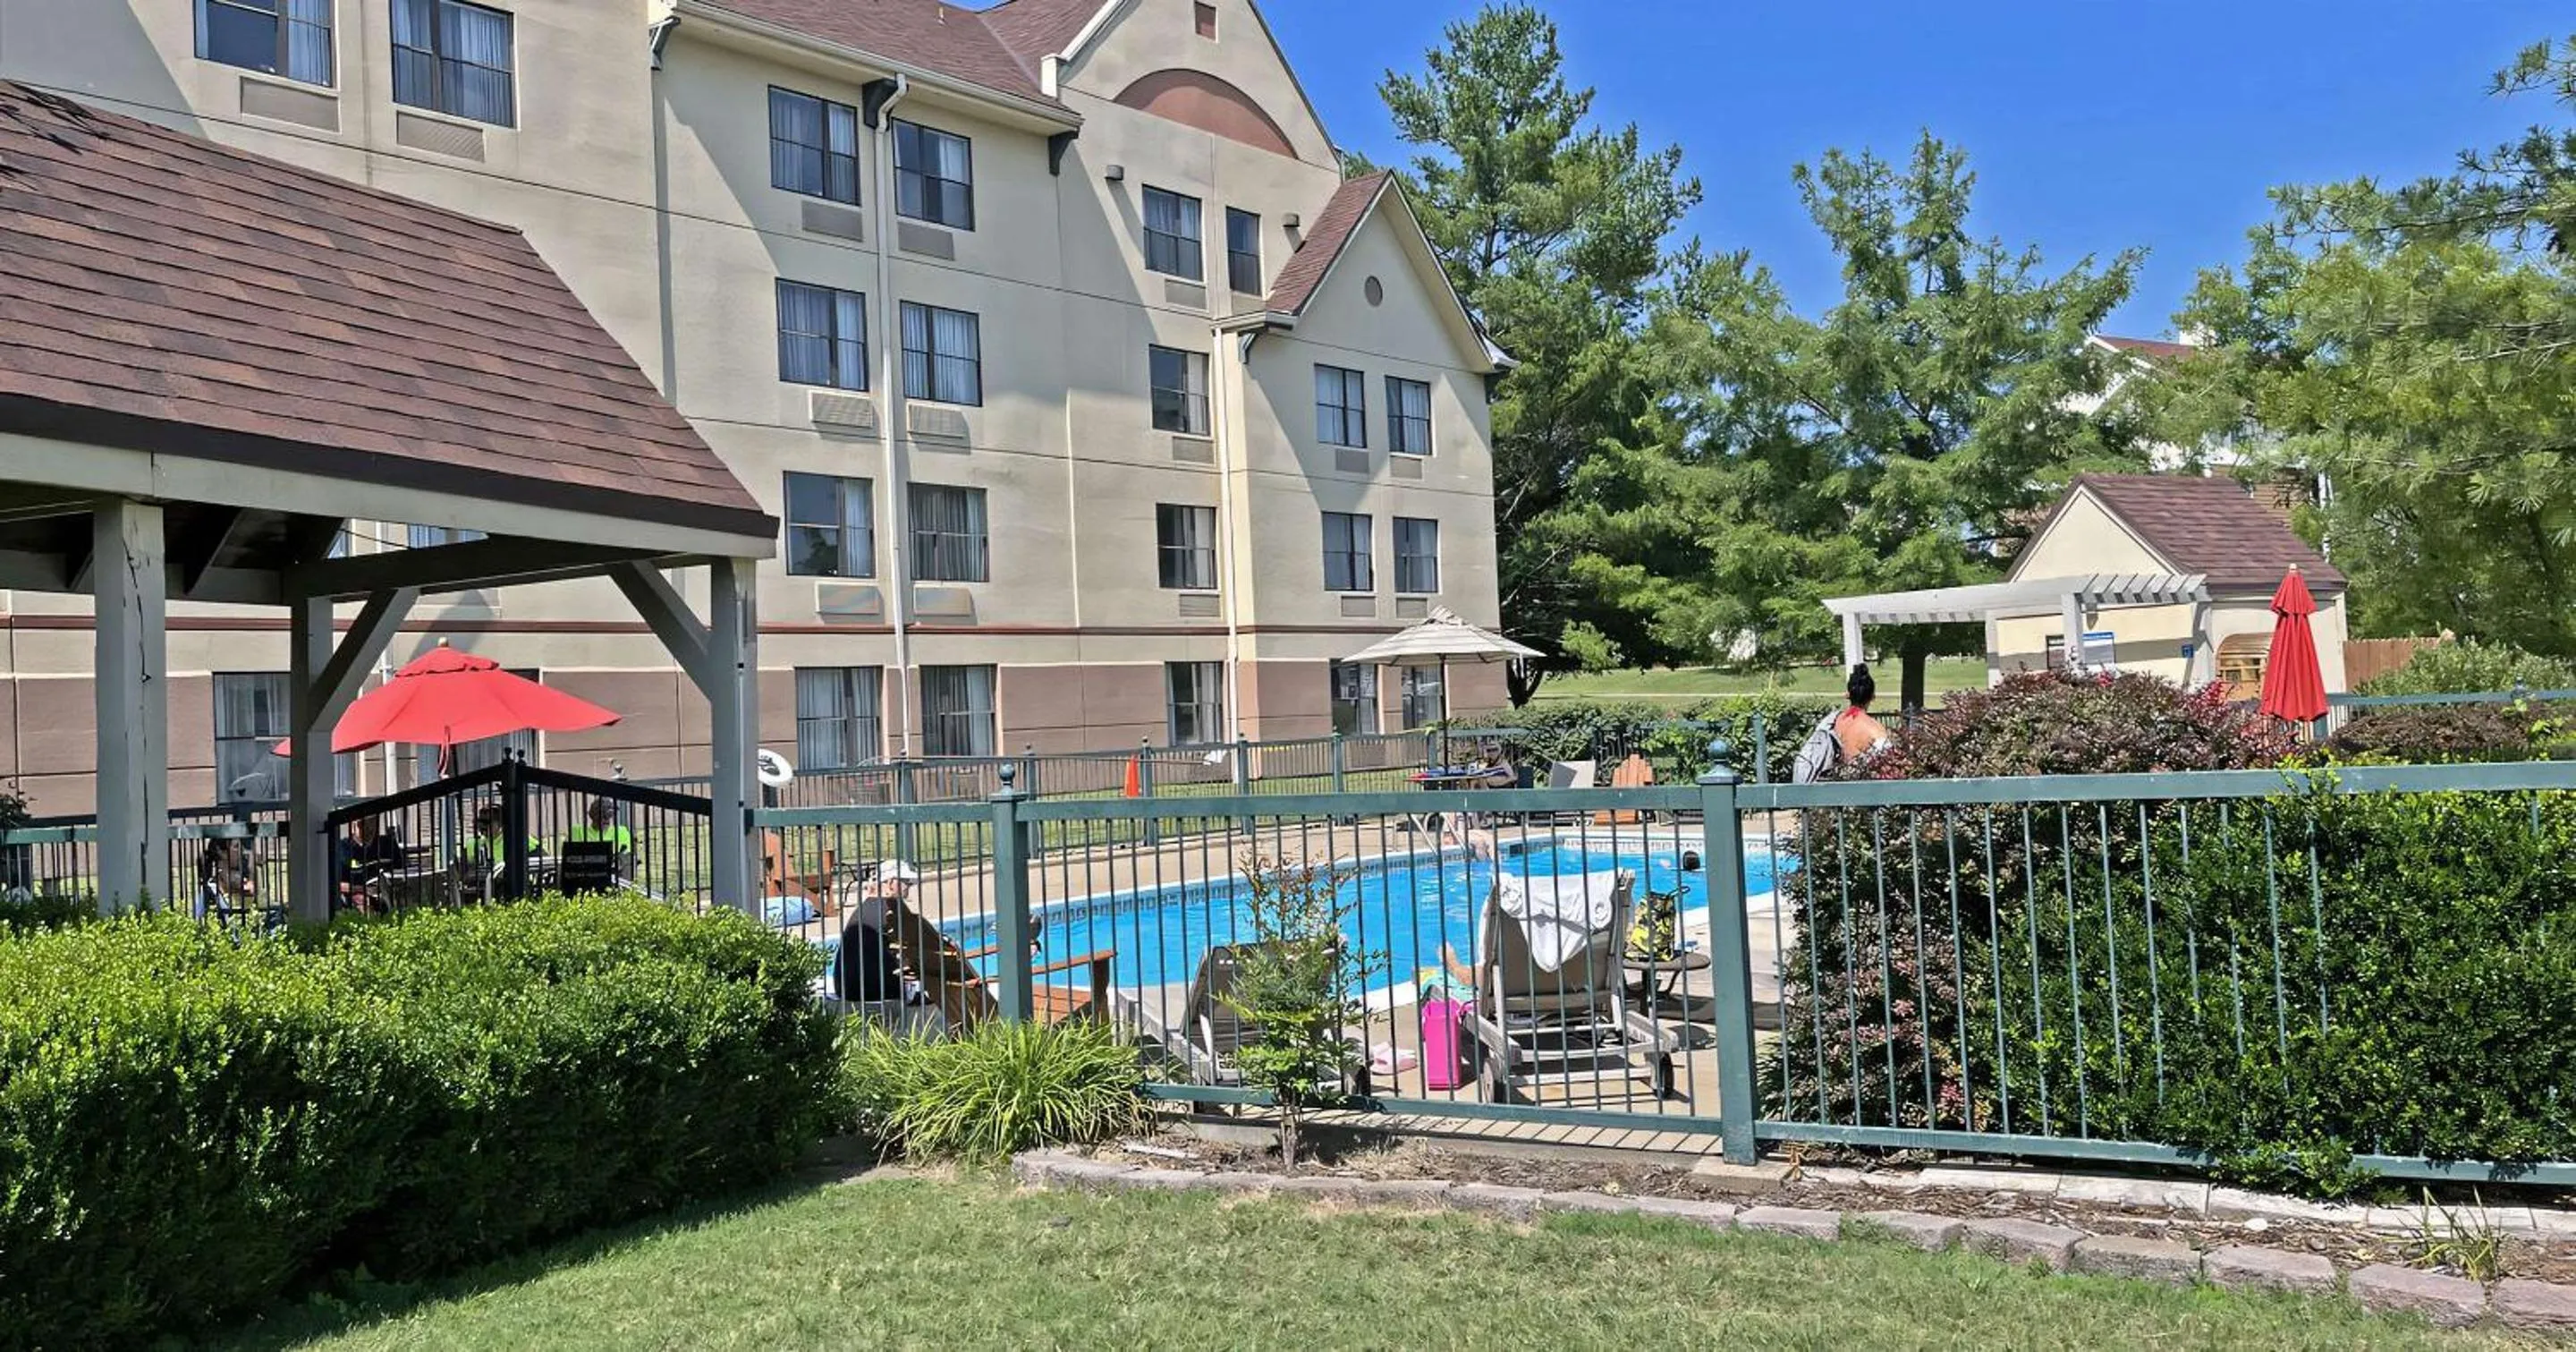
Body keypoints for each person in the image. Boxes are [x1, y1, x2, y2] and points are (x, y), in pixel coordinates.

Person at [1792, 664, 1894, 784]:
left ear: (1847, 694)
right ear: (1873, 697)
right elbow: (1888, 769)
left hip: (1829, 788)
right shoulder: (1876, 730)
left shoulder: (1831, 721)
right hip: (1860, 792)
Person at [335, 816, 404, 913]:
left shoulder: (388, 844)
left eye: (372, 823)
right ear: (352, 826)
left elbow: (401, 874)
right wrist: (363, 890)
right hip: (357, 901)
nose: (369, 828)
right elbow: (337, 885)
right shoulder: (342, 848)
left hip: (389, 898)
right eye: (363, 824)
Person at [197, 837, 255, 921]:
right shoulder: (211, 887)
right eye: (236, 847)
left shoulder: (244, 871)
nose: (241, 851)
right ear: (222, 853)